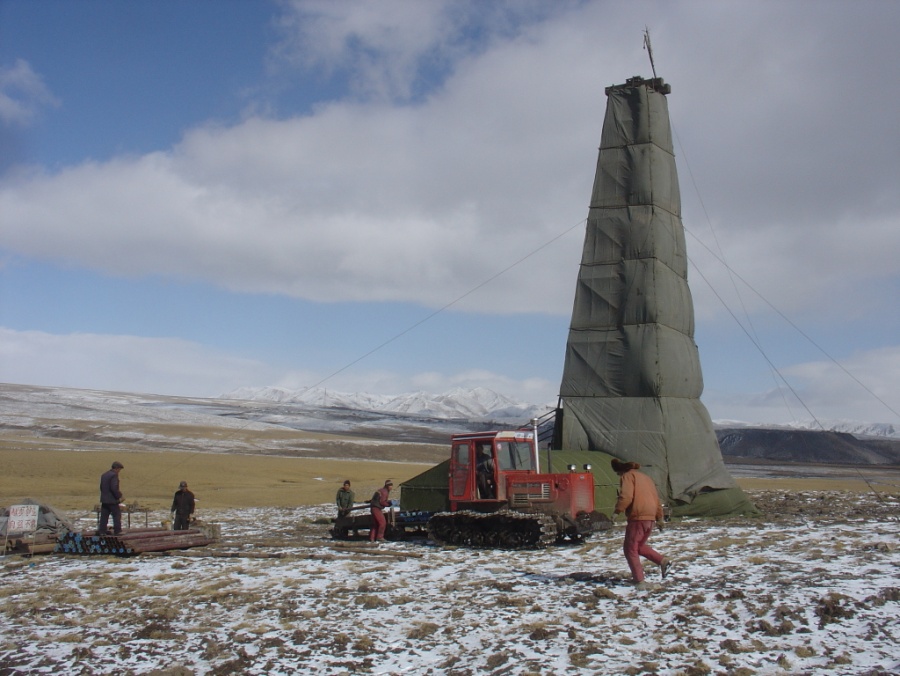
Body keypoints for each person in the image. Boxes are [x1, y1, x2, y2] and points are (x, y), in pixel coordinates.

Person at [611, 458, 671, 586]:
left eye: (618, 473)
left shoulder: (628, 476)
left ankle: (639, 580)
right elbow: (656, 499)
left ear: (622, 469)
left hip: (638, 517)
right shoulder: (646, 478)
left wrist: (617, 511)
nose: (619, 476)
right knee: (639, 546)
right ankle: (662, 561)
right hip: (650, 518)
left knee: (630, 549)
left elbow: (626, 496)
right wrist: (659, 518)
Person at [98, 461, 124, 535]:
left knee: (104, 516)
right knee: (116, 515)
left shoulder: (104, 475)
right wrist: (120, 496)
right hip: (112, 500)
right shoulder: (114, 476)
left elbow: (101, 487)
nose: (119, 471)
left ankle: (102, 531)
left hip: (104, 499)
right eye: (119, 469)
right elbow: (114, 488)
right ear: (116, 468)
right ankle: (118, 531)